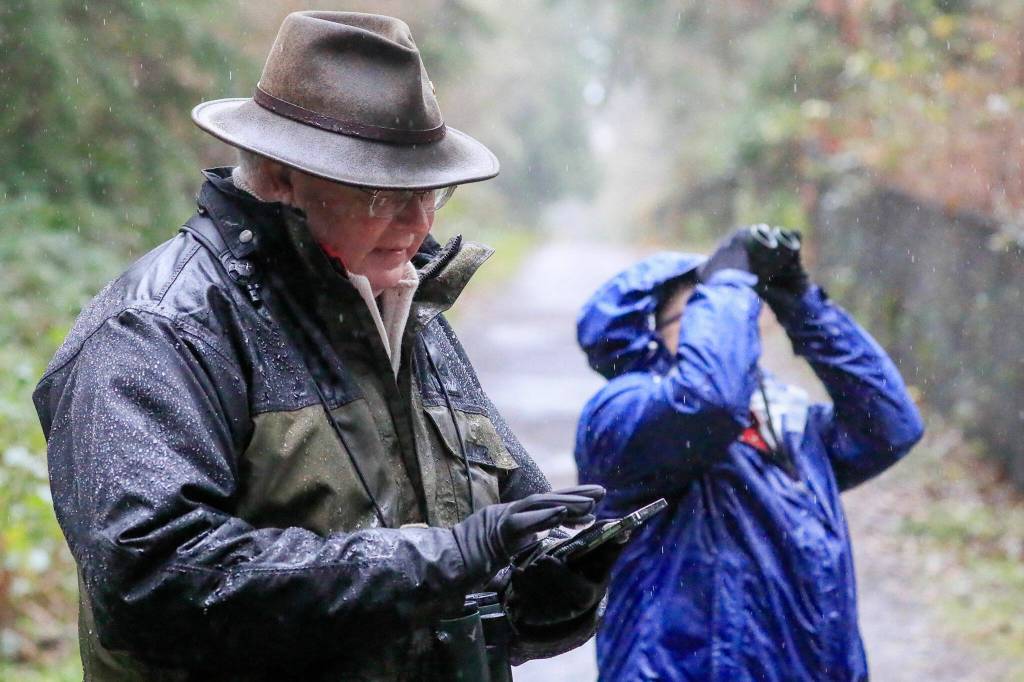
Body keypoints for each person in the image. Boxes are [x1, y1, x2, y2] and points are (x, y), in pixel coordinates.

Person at [33, 12, 613, 680]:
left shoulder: (406, 309)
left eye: (432, 191)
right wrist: (442, 559)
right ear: (281, 179)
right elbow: (150, 584)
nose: (419, 222)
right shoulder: (157, 330)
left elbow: (477, 571)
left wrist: (546, 599)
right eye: (381, 193)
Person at [574, 227, 925, 681]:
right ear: (652, 334)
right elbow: (708, 401)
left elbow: (892, 426)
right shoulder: (621, 414)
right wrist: (727, 284)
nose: (735, 323)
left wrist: (801, 303)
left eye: (741, 308)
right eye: (703, 311)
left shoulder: (784, 420)